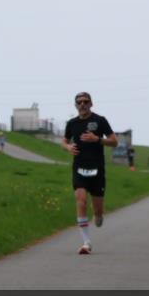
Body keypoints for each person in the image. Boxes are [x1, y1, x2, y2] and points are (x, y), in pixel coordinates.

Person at [61, 92, 118, 255]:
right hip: (79, 168)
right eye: (79, 102)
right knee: (81, 200)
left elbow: (114, 142)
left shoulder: (100, 120)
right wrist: (68, 147)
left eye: (85, 102)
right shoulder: (72, 123)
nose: (82, 105)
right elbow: (64, 141)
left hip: (97, 169)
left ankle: (98, 216)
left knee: (98, 213)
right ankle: (86, 242)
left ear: (91, 104)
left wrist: (97, 139)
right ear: (75, 105)